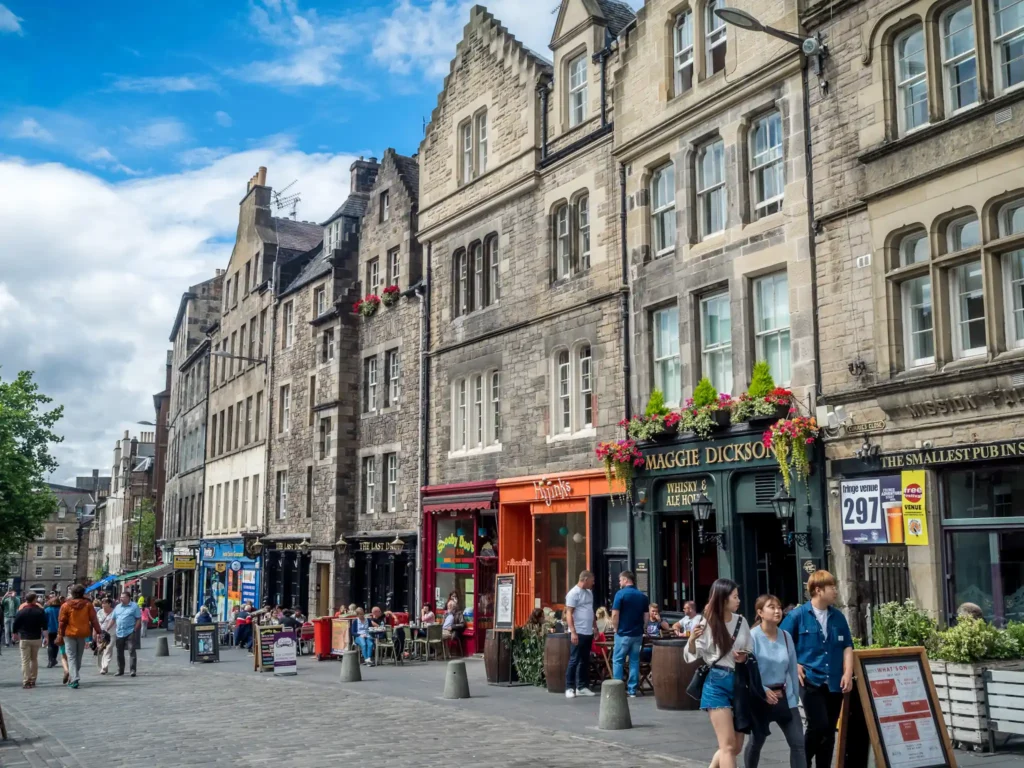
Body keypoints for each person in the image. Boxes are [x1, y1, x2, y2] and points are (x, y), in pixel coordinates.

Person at [780, 570, 854, 768]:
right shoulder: (798, 616)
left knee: (829, 730)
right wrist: (794, 664)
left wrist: (847, 673)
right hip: (811, 679)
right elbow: (781, 643)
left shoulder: (838, 617)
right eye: (832, 587)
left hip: (835, 680)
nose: (836, 591)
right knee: (817, 725)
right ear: (818, 590)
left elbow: (848, 646)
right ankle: (801, 762)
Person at [684, 578, 753, 768]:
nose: (738, 600)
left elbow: (750, 650)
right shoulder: (705, 623)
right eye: (735, 597)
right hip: (716, 682)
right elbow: (690, 655)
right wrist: (691, 640)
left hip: (739, 683)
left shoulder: (742, 621)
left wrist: (744, 657)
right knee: (728, 746)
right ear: (723, 599)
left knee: (735, 747)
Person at [745, 594, 806, 768]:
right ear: (760, 612)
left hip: (784, 696)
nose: (777, 611)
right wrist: (763, 690)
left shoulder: (786, 636)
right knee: (756, 743)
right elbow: (748, 671)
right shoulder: (752, 637)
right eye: (771, 607)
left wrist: (794, 698)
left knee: (798, 744)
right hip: (760, 697)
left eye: (779, 607)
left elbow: (792, 669)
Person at [610, 570, 649, 698]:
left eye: (620, 580)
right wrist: (643, 628)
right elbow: (646, 616)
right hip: (637, 634)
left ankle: (618, 690)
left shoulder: (620, 594)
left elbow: (615, 614)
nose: (619, 582)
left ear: (626, 580)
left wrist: (615, 628)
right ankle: (632, 690)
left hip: (623, 633)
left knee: (618, 660)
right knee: (634, 661)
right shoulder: (642, 596)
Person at [57, 584, 102, 689]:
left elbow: (62, 622)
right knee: (78, 656)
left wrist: (60, 634)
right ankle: (74, 676)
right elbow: (94, 619)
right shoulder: (88, 605)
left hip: (69, 633)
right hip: (82, 633)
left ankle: (74, 678)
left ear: (72, 593)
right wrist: (99, 631)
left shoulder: (65, 605)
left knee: (71, 656)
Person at [564, 570, 597, 699]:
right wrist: (573, 631)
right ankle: (569, 687)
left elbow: (590, 611)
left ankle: (582, 687)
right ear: (584, 579)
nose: (593, 583)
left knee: (584, 660)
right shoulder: (573, 593)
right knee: (574, 660)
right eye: (591, 581)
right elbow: (568, 613)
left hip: (588, 631)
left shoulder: (589, 593)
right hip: (578, 631)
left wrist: (594, 627)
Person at [12, 592, 47, 688]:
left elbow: (15, 624)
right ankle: (33, 679)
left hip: (24, 638)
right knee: (34, 659)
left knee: (25, 660)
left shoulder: (21, 612)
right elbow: (44, 626)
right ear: (34, 600)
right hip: (36, 638)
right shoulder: (40, 611)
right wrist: (46, 638)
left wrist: (14, 634)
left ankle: (26, 680)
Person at [112, 591, 142, 677]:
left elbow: (138, 619)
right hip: (119, 632)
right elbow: (113, 619)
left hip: (130, 631)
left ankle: (132, 670)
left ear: (128, 598)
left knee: (131, 650)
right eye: (121, 597)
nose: (121, 598)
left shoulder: (134, 606)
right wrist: (107, 627)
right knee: (119, 651)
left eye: (123, 597)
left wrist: (135, 629)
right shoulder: (117, 607)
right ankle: (120, 670)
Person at [95, 597, 116, 674]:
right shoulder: (99, 612)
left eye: (105, 603)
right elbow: (96, 623)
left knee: (108, 648)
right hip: (101, 634)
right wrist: (96, 633)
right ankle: (101, 666)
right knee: (100, 649)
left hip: (111, 633)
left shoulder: (114, 612)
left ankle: (104, 666)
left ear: (109, 604)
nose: (103, 604)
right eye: (102, 603)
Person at [44, 596, 61, 668]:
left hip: (49, 629)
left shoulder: (47, 610)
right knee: (56, 644)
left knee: (50, 645)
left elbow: (44, 620)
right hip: (58, 629)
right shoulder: (60, 609)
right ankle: (54, 658)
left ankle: (50, 660)